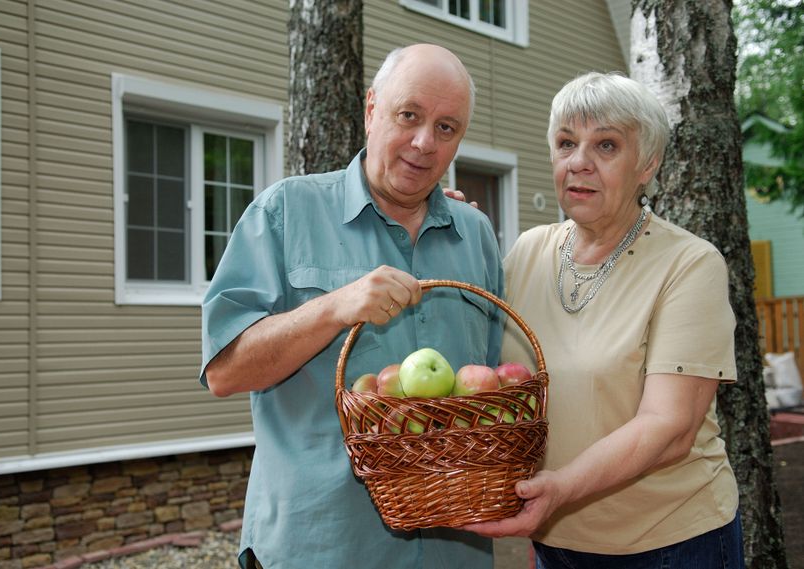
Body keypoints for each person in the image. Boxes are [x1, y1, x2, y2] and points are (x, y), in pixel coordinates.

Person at [200, 44, 504, 569]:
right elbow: (226, 370)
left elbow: (493, 388)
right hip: (324, 546)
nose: (423, 142)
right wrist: (335, 307)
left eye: (447, 128)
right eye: (408, 115)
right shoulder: (285, 212)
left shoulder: (474, 233)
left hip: (455, 547)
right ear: (371, 109)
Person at [462, 72, 745, 568]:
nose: (579, 163)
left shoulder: (690, 264)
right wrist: (449, 229)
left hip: (672, 543)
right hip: (557, 540)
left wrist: (559, 489)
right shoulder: (528, 251)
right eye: (566, 143)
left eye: (606, 145)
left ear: (647, 164)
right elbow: (482, 377)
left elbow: (670, 426)